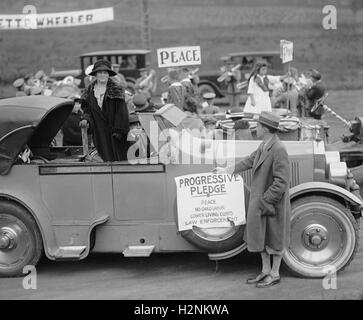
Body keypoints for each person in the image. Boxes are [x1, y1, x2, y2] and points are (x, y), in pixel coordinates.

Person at [214, 111, 290, 288]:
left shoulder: (279, 149)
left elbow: (281, 182)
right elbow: (249, 161)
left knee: (275, 239)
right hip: (262, 202)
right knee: (260, 238)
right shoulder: (265, 145)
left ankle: (275, 274)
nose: (256, 129)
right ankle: (265, 271)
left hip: (271, 203)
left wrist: (265, 201)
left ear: (265, 128)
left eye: (259, 126)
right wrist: (227, 170)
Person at [80, 59, 130, 162]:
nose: (102, 75)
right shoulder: (89, 92)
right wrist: (86, 119)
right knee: (105, 158)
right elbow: (87, 110)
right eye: (100, 72)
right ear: (95, 74)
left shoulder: (116, 90)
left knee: (119, 159)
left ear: (108, 74)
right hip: (99, 131)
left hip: (115, 132)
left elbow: (122, 112)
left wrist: (119, 131)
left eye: (105, 72)